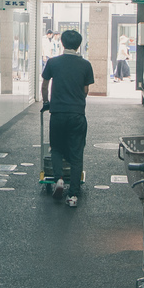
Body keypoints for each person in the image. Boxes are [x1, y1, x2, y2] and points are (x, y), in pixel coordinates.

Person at [41, 29, 94, 207]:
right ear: (79, 44)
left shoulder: (53, 62)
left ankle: (59, 180)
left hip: (57, 113)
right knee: (76, 153)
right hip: (77, 114)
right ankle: (73, 196)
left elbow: (45, 84)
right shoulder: (85, 65)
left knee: (56, 148)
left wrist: (46, 102)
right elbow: (86, 90)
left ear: (62, 43)